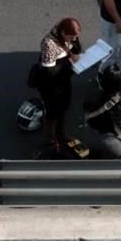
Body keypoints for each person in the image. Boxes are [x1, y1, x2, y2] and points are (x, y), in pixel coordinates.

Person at [37, 17, 82, 150]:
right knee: (52, 112)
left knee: (63, 107)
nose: (74, 40)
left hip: (64, 81)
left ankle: (60, 134)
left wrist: (73, 50)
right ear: (63, 33)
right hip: (51, 86)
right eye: (72, 37)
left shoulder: (65, 32)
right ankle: (50, 140)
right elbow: (49, 73)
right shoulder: (48, 45)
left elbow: (76, 48)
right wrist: (71, 64)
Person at [84, 65, 121, 159]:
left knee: (93, 159)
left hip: (93, 137)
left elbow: (86, 109)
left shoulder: (94, 95)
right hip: (112, 143)